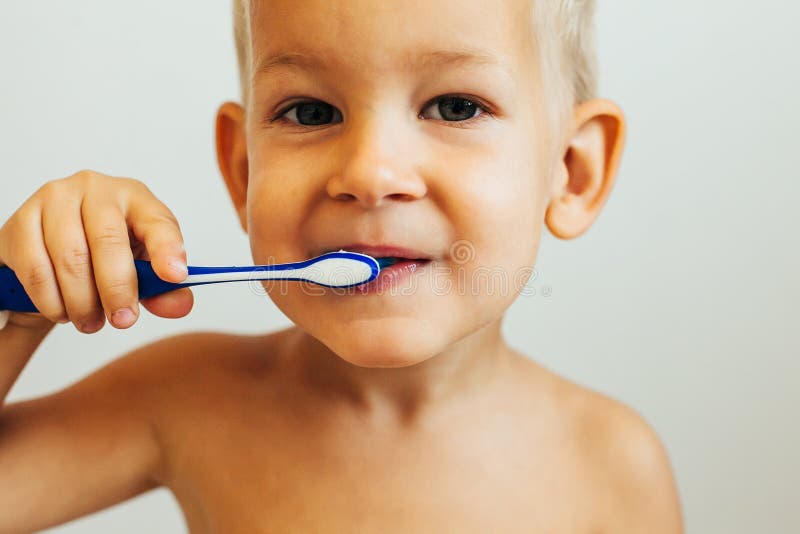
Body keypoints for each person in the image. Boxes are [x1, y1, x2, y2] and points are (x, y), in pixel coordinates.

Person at [0, 0, 683, 531]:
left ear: (572, 171)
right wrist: (23, 314)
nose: (370, 173)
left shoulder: (613, 463)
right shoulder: (183, 399)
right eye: (311, 111)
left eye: (455, 106)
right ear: (243, 172)